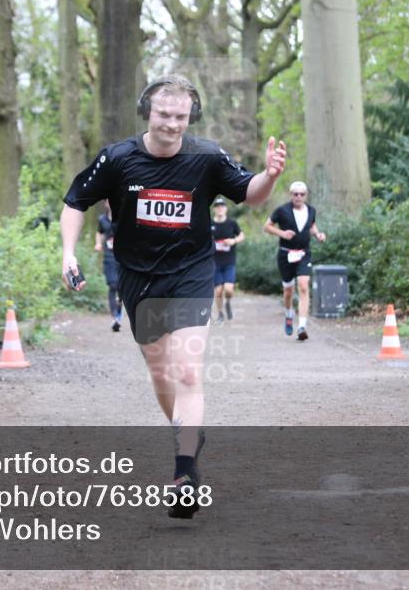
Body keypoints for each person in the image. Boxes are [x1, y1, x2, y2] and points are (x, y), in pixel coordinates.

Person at [60, 74, 286, 518]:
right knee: (161, 373)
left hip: (191, 272)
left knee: (186, 368)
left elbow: (251, 195)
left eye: (180, 117)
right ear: (148, 112)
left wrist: (270, 175)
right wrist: (68, 253)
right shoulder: (118, 158)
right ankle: (188, 434)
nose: (171, 124)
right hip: (139, 278)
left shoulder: (206, 157)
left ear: (190, 117)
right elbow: (75, 202)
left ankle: (184, 472)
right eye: (164, 115)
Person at [263, 181, 326, 342]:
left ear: (306, 195)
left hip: (304, 254)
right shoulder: (282, 210)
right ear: (291, 195)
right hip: (286, 255)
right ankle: (289, 313)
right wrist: (282, 233)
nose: (298, 197)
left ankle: (302, 326)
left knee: (304, 286)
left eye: (302, 194)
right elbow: (267, 227)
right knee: (288, 292)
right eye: (295, 194)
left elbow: (311, 226)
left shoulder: (311, 210)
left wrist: (318, 235)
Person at [210, 197, 244, 324]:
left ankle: (228, 302)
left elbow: (242, 235)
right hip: (214, 262)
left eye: (222, 206)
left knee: (229, 290)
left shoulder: (232, 223)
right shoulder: (210, 224)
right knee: (218, 291)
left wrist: (233, 241)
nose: (220, 208)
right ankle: (220, 313)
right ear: (214, 209)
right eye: (217, 206)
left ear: (226, 208)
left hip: (229, 261)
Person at [94, 201, 123, 332]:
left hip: (122, 258)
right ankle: (115, 318)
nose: (111, 204)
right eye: (108, 202)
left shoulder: (123, 217)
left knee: (121, 288)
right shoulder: (102, 219)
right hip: (109, 257)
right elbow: (99, 232)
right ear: (106, 204)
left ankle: (119, 313)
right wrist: (98, 243)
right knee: (113, 285)